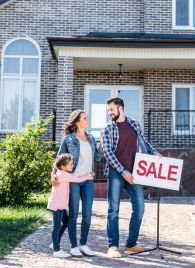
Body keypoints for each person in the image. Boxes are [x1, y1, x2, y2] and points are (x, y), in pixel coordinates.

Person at [103, 97, 162, 258]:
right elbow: (107, 153)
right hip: (116, 172)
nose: (109, 113)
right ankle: (113, 246)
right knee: (113, 210)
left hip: (135, 172)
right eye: (108, 110)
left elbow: (143, 142)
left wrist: (154, 152)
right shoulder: (108, 127)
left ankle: (131, 244)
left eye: (111, 110)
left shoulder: (134, 124)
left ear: (120, 108)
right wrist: (123, 172)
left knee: (139, 208)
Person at [57, 109, 103, 257]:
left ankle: (83, 244)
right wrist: (55, 176)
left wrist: (101, 141)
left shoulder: (90, 138)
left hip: (88, 181)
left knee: (88, 214)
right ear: (77, 121)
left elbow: (97, 158)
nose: (87, 120)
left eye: (87, 117)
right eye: (84, 118)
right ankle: (73, 246)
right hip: (74, 180)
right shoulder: (68, 139)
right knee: (74, 214)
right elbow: (59, 160)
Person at [47, 153, 93, 258]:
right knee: (56, 226)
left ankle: (55, 243)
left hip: (60, 204)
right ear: (63, 166)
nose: (72, 166)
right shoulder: (63, 175)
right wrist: (88, 175)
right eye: (70, 164)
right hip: (57, 205)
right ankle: (56, 250)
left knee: (66, 222)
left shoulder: (60, 172)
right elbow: (77, 179)